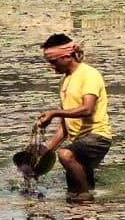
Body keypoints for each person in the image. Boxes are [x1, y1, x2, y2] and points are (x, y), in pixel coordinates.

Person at [35, 33, 111, 197]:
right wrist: (46, 150)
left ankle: (85, 199)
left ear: (67, 56)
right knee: (72, 193)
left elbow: (87, 109)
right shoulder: (65, 81)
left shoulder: (89, 74)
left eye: (54, 62)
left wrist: (54, 112)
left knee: (66, 155)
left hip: (97, 137)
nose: (52, 67)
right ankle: (87, 205)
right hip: (76, 141)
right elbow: (65, 125)